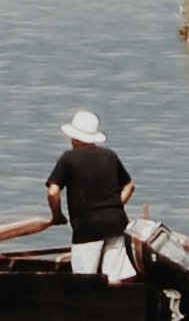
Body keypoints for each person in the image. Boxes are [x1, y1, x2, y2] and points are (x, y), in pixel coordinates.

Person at [45, 110, 138, 283]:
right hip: (116, 224)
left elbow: (53, 192)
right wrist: (115, 207)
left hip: (86, 228)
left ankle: (87, 308)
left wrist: (57, 215)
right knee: (114, 279)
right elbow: (129, 186)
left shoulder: (68, 159)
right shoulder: (110, 156)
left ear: (75, 138)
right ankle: (117, 306)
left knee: (84, 279)